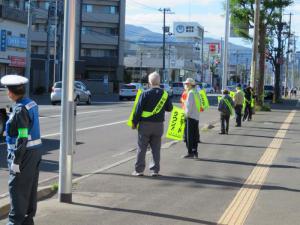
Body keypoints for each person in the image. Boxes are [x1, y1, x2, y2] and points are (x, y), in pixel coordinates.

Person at [1, 75, 42, 225]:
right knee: (30, 188)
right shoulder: (31, 103)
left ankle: (14, 222)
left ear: (11, 92)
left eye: (7, 90)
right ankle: (27, 220)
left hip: (23, 155)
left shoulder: (20, 110)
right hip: (34, 153)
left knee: (17, 189)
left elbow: (22, 136)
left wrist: (16, 161)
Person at [131, 72, 173, 176]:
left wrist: (134, 123)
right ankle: (155, 170)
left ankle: (139, 170)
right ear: (159, 82)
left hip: (145, 125)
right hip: (158, 125)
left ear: (149, 82)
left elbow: (138, 110)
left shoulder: (145, 93)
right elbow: (170, 108)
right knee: (156, 148)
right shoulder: (164, 94)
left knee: (142, 148)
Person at [182, 78, 201, 159]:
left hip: (190, 117)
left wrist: (185, 116)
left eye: (186, 84)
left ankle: (190, 153)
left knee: (188, 136)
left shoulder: (190, 93)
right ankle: (195, 152)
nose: (185, 85)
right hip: (196, 117)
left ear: (190, 84)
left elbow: (188, 107)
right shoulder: (196, 92)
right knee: (194, 135)